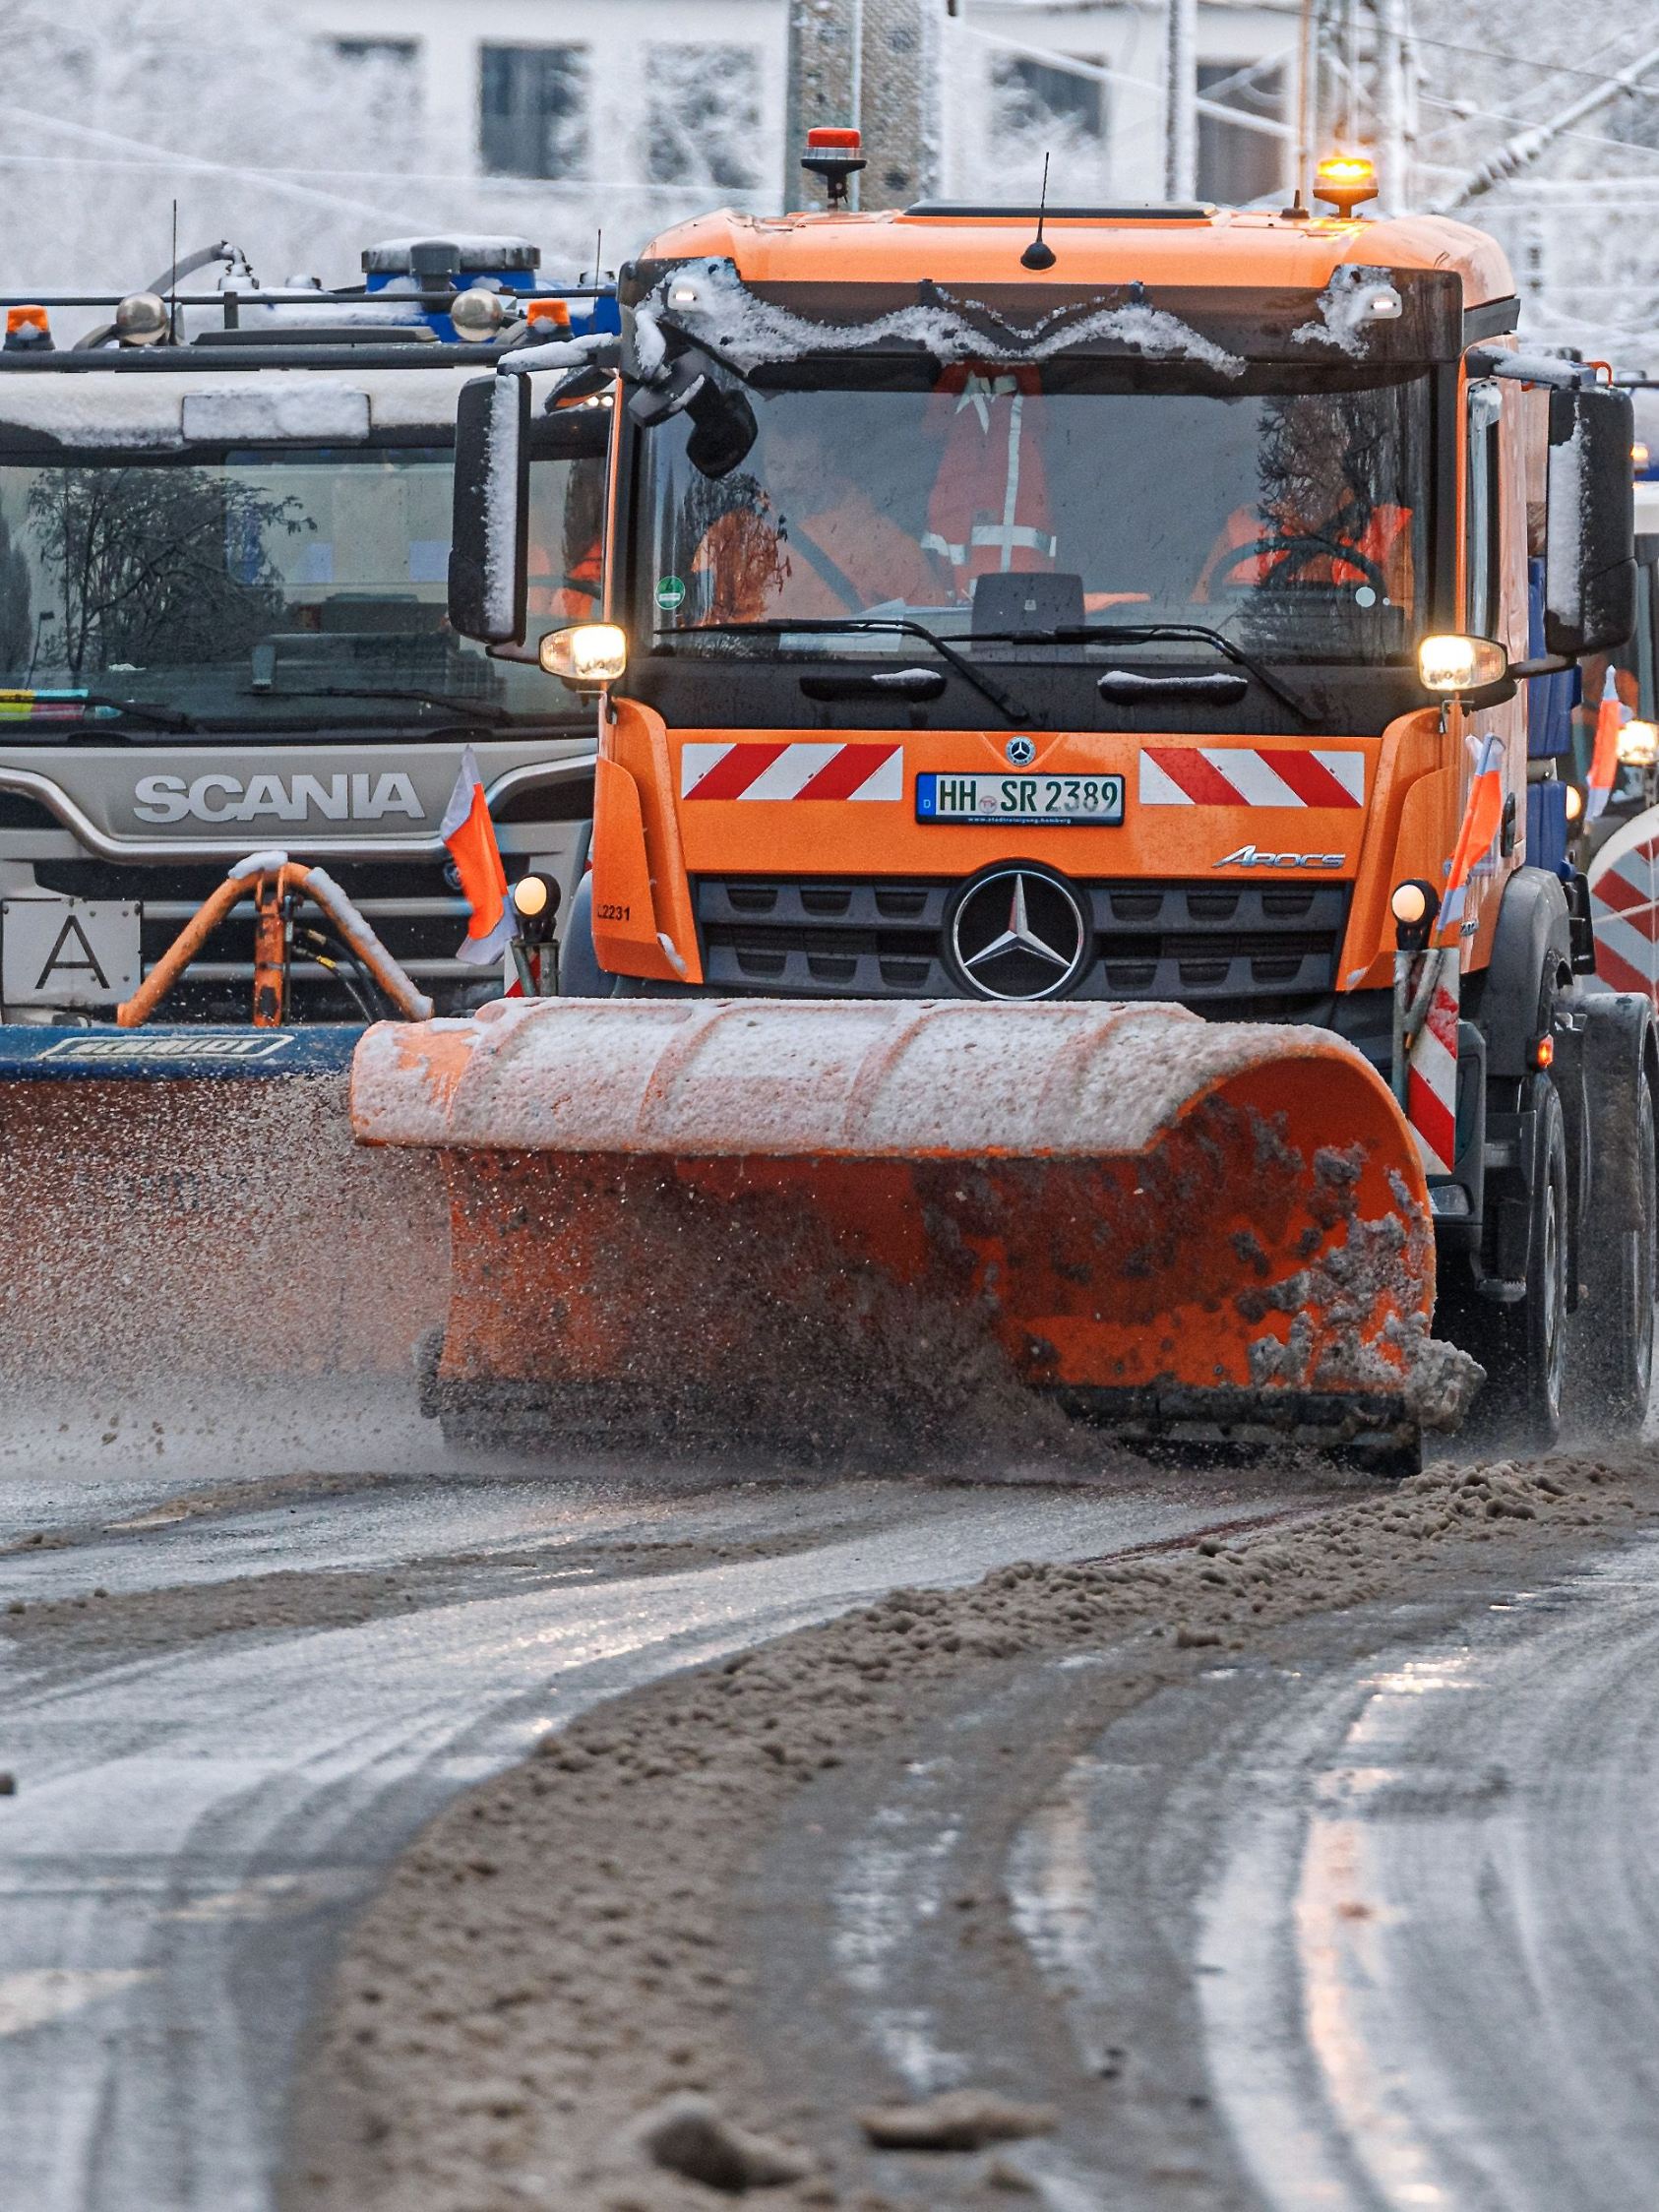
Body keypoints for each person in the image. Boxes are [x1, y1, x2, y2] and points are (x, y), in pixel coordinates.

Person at [691, 414, 943, 624]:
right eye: (777, 467)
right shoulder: (731, 535)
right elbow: (697, 625)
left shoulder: (882, 541)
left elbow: (932, 624)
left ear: (828, 462)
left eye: (802, 467)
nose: (789, 481)